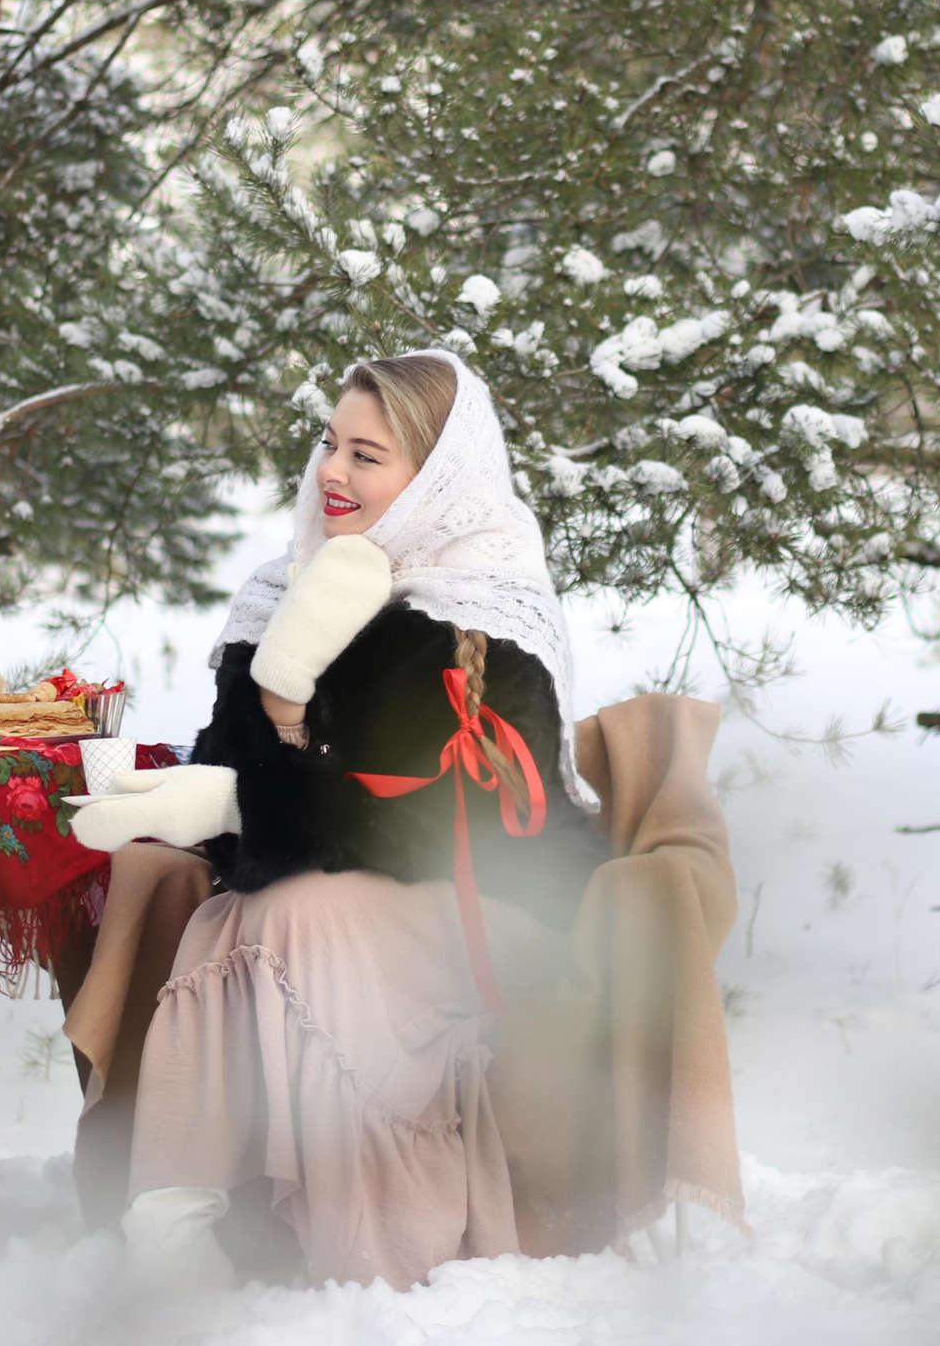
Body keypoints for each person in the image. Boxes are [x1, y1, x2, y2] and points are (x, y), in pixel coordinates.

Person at [68, 350, 610, 1289]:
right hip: (318, 901)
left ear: (434, 481)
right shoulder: (281, 591)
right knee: (249, 913)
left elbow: (448, 823)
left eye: (367, 455)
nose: (332, 471)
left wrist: (282, 744)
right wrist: (276, 707)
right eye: (329, 443)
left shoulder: (483, 607)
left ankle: (367, 1253)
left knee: (272, 914)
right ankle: (175, 1229)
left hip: (483, 902)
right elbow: (236, 813)